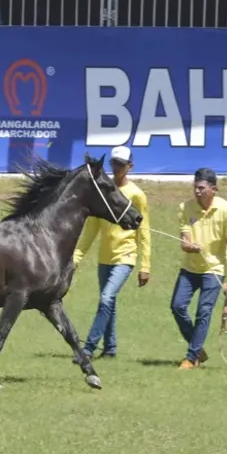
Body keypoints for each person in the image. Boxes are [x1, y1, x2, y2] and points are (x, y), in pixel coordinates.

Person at [72, 145, 152, 361]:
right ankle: (110, 348)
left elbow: (144, 232)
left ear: (130, 167)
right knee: (109, 302)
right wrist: (76, 257)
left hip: (125, 256)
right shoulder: (104, 192)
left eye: (120, 164)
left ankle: (88, 348)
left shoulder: (136, 194)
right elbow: (92, 229)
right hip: (104, 258)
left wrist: (145, 265)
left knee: (107, 298)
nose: (116, 168)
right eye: (113, 163)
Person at [171, 167, 227, 370]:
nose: (197, 191)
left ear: (213, 189)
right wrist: (189, 247)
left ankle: (191, 358)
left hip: (214, 270)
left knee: (204, 312)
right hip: (190, 268)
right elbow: (184, 241)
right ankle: (197, 348)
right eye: (195, 187)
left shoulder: (226, 210)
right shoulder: (185, 208)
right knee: (177, 306)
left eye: (201, 188)